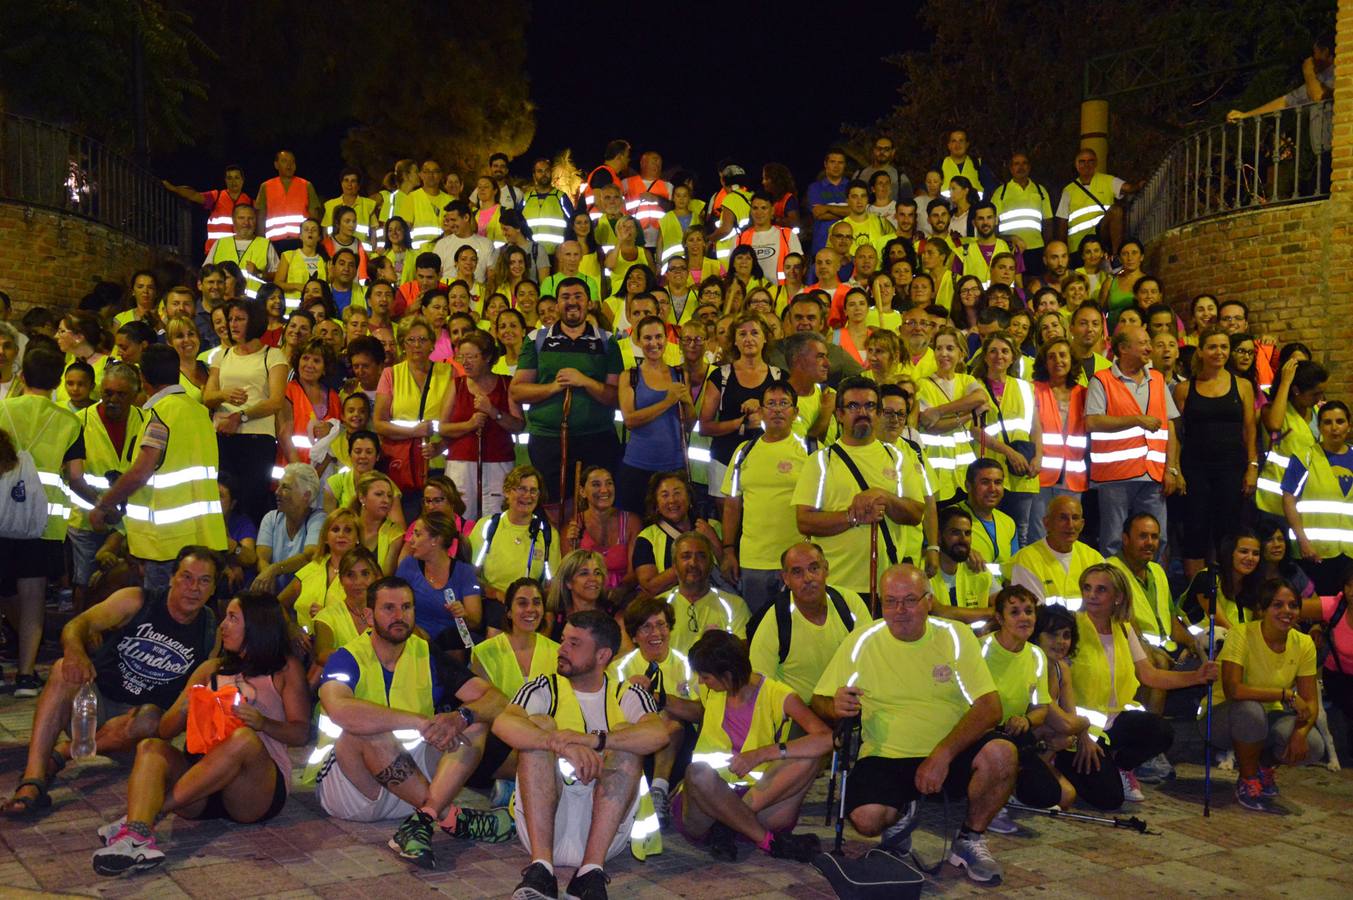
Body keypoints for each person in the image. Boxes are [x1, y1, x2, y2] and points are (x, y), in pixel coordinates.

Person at [812, 563, 1015, 884]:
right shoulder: (862, 640)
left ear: (929, 601)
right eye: (890, 601)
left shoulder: (955, 636)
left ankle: (971, 838)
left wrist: (942, 754)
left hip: (950, 752)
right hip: (887, 754)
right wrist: (834, 705)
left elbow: (991, 708)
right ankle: (902, 813)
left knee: (1002, 754)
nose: (899, 611)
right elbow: (819, 699)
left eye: (910, 600)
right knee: (866, 820)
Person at [91, 591, 310, 876]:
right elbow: (165, 730)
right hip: (199, 787)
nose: (223, 625)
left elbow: (301, 733)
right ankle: (136, 837)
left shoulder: (284, 670)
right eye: (225, 618)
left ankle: (141, 822)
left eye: (233, 618)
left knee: (244, 738)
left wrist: (263, 723)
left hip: (253, 789)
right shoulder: (210, 669)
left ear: (257, 625)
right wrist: (187, 706)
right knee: (150, 747)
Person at [312, 576, 515, 869]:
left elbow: (495, 699)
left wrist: (461, 717)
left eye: (406, 607)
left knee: (474, 721)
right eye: (389, 608)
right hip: (353, 790)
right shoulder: (345, 658)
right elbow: (340, 710)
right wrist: (419, 721)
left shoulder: (426, 653)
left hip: (410, 784)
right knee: (366, 731)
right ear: (368, 615)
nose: (399, 615)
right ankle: (451, 818)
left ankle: (425, 817)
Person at [1, 547, 220, 818]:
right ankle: (32, 780)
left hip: (138, 734)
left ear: (213, 588)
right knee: (61, 669)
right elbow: (78, 624)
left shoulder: (211, 631)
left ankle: (63, 754)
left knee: (150, 717)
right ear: (172, 578)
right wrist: (76, 651)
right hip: (91, 708)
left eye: (204, 581)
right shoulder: (138, 600)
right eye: (186, 577)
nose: (194, 588)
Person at [494, 610, 669, 899]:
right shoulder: (544, 686)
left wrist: (596, 741)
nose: (561, 649)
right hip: (544, 827)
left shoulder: (626, 693)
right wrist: (560, 744)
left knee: (627, 738)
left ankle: (589, 874)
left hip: (605, 835)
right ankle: (541, 871)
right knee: (539, 725)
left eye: (574, 644)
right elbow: (503, 723)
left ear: (602, 655)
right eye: (563, 640)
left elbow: (659, 734)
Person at [1063, 564, 1217, 807]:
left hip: (1113, 722)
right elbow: (1059, 686)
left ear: (1118, 597)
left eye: (1101, 589)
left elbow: (1150, 675)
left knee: (1161, 731)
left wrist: (1197, 677)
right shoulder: (1070, 627)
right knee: (1109, 799)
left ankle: (1121, 767)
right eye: (1087, 588)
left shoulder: (1124, 629)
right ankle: (1063, 767)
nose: (1091, 595)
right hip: (1077, 728)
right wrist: (1080, 732)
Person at [668, 629, 829, 862]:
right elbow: (695, 710)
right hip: (706, 802)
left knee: (811, 755)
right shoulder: (710, 690)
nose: (701, 682)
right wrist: (659, 698)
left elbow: (826, 738)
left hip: (756, 799)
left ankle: (728, 825)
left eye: (705, 677)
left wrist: (762, 754)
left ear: (728, 675)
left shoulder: (777, 694)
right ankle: (768, 842)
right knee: (697, 772)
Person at [794, 376, 925, 600]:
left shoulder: (898, 458)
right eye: (853, 406)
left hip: (886, 588)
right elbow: (804, 521)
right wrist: (853, 517)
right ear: (839, 414)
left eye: (870, 406)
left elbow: (915, 514)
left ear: (879, 413)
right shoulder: (820, 461)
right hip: (835, 584)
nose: (862, 412)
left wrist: (884, 497)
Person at [510, 278, 622, 522]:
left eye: (578, 296)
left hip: (597, 439)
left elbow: (616, 397)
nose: (572, 302)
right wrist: (554, 387)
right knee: (552, 507)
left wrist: (585, 381)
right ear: (556, 304)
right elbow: (517, 391)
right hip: (548, 440)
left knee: (595, 507)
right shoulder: (537, 340)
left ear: (589, 303)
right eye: (566, 297)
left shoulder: (606, 341)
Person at [1208, 578, 1323, 811]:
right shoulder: (1241, 634)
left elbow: (1311, 701)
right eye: (1277, 605)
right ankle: (1247, 779)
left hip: (1270, 717)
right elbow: (1234, 690)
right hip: (1225, 717)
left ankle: (1263, 767)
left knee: (1313, 744)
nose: (1286, 611)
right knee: (1250, 710)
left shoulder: (1304, 644)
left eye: (1293, 605)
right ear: (1261, 609)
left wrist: (1300, 733)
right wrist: (1285, 694)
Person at [980, 586, 1087, 829]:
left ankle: (1008, 788)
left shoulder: (1036, 655)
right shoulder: (981, 650)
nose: (1024, 617)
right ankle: (990, 803)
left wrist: (1026, 720)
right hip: (983, 732)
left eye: (1028, 611)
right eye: (1014, 612)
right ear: (1000, 619)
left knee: (1055, 794)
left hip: (1017, 733)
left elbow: (1040, 708)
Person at [721, 382, 818, 613]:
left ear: (795, 412)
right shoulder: (743, 452)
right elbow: (731, 506)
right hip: (754, 561)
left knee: (798, 625)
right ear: (762, 411)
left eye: (784, 403)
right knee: (757, 625)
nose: (777, 410)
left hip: (798, 561)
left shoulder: (812, 451)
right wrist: (728, 550)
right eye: (771, 404)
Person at [1085, 325, 1181, 558]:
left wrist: (1171, 468)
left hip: (1152, 474)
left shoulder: (1157, 379)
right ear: (1123, 348)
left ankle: (1150, 580)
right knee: (1114, 540)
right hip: (1114, 475)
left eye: (1149, 342)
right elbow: (1092, 422)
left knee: (1156, 539)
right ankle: (1114, 581)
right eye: (1143, 343)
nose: (1149, 347)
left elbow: (1169, 426)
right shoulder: (1102, 380)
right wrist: (1136, 420)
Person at [1174, 327, 1257, 578]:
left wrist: (1252, 467)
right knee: (1195, 531)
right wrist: (1175, 470)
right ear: (1200, 351)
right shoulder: (1184, 389)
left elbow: (1249, 428)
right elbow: (1176, 434)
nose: (1218, 352)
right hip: (1195, 469)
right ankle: (1196, 592)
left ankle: (1228, 590)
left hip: (1232, 468)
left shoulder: (1242, 386)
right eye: (1212, 347)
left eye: (1223, 347)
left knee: (1229, 531)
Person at [748, 542, 871, 702]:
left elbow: (870, 659)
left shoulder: (849, 602)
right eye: (797, 572)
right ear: (786, 578)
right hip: (798, 712)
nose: (808, 578)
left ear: (826, 569)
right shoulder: (776, 620)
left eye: (814, 568)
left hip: (848, 705)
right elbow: (759, 685)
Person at [203, 299, 289, 525]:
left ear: (254, 321)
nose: (233, 324)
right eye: (231, 319)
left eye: (239, 319)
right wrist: (224, 395)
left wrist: (240, 416)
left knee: (251, 502)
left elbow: (275, 401)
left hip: (257, 440)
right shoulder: (221, 356)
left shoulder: (273, 355)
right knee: (221, 502)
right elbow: (208, 397)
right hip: (223, 437)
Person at [374, 317, 455, 523]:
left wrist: (441, 446)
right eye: (411, 340)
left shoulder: (448, 372)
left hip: (439, 465)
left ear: (432, 344)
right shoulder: (391, 374)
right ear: (403, 344)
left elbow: (458, 420)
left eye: (422, 339)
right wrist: (413, 432)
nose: (416, 345)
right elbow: (379, 423)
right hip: (402, 467)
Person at [438, 330, 524, 520]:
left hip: (498, 462)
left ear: (487, 357)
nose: (465, 362)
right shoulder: (457, 385)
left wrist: (493, 411)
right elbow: (443, 428)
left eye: (472, 357)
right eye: (462, 356)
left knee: (496, 519)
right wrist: (469, 425)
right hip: (460, 464)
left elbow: (519, 425)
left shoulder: (506, 384)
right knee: (459, 519)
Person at [700, 312, 780, 513]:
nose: (749, 339)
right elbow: (705, 427)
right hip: (724, 460)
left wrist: (762, 409)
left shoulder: (779, 377)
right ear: (734, 341)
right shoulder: (720, 376)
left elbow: (788, 421)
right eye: (742, 334)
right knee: (727, 523)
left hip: (766, 462)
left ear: (765, 338)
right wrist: (741, 423)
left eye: (755, 333)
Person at [617, 316, 695, 514]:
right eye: (648, 338)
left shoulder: (680, 374)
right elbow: (630, 420)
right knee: (634, 524)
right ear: (638, 341)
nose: (654, 343)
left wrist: (688, 403)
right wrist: (667, 402)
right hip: (637, 465)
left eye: (658, 337)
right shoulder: (630, 376)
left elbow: (689, 425)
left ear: (666, 339)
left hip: (674, 466)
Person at [972, 332, 1041, 545]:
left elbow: (1035, 426)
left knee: (1020, 530)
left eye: (1004, 351)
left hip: (1022, 470)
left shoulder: (1025, 387)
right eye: (993, 351)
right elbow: (974, 430)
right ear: (985, 356)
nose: (999, 356)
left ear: (1012, 357)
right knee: (987, 527)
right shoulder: (974, 387)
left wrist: (1038, 457)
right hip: (989, 469)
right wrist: (1009, 452)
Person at [1282, 400, 1353, 594]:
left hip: (1350, 554)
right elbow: (1288, 499)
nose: (1334, 428)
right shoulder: (1304, 457)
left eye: (1340, 421)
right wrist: (1303, 541)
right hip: (1314, 554)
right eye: (1327, 422)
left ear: (1349, 425)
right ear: (1320, 427)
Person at [470, 465, 561, 603]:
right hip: (493, 603)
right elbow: (470, 576)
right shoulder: (487, 526)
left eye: (533, 491)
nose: (527, 496)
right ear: (507, 491)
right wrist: (496, 594)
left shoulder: (548, 534)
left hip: (530, 606)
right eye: (521, 489)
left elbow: (551, 585)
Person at [916, 325, 985, 502]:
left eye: (949, 348)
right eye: (938, 348)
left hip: (964, 472)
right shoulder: (923, 384)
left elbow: (980, 397)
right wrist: (969, 413)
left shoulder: (966, 380)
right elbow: (932, 426)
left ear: (961, 354)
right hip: (935, 471)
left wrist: (939, 411)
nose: (943, 353)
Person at [397, 511, 483, 652]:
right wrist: (417, 632)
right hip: (414, 638)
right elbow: (397, 608)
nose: (411, 540)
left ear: (435, 540)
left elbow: (475, 622)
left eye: (417, 534)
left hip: (450, 646)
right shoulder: (408, 565)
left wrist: (464, 614)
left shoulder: (464, 572)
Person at [1031, 338, 1088, 543]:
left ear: (1072, 359)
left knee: (1068, 534)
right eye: (1051, 357)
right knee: (1038, 534)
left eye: (1063, 355)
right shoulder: (1033, 390)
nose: (1058, 361)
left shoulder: (1084, 393)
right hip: (1040, 474)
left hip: (1073, 476)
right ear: (1044, 362)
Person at [472, 577, 560, 699]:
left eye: (536, 603)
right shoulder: (484, 652)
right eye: (522, 603)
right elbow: (481, 703)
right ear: (509, 612)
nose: (530, 609)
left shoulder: (558, 652)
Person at [1258, 359, 1326, 516]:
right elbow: (1274, 424)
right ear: (1296, 390)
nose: (1319, 398)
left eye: (1321, 393)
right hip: (1275, 501)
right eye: (1314, 394)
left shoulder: (1317, 411)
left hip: (1305, 498)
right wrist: (1285, 382)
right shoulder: (1275, 411)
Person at [1010, 496, 1104, 607]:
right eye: (1063, 518)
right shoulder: (1027, 559)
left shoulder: (1094, 558)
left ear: (1082, 524)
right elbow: (1031, 610)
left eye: (1075, 518)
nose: (1070, 525)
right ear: (1047, 523)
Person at [252, 463, 325, 594]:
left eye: (285, 487)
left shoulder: (318, 519)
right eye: (279, 486)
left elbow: (309, 556)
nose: (277, 492)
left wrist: (275, 569)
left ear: (306, 495)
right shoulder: (271, 518)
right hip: (273, 593)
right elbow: (262, 558)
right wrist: (267, 576)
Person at [567, 466, 640, 595]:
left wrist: (615, 594)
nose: (604, 490)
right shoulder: (573, 525)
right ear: (582, 492)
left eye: (609, 483)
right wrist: (573, 546)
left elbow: (634, 573)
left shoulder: (631, 522)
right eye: (596, 484)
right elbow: (569, 574)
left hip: (623, 596)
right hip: (585, 595)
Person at [1055, 146, 1137, 260]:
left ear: (1096, 163)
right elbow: (1062, 223)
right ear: (1076, 165)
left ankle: (1116, 257)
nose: (1086, 165)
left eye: (1090, 161)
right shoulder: (1068, 190)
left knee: (1116, 210)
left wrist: (1141, 184)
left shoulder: (1107, 180)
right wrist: (1063, 252)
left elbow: (1129, 188)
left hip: (1101, 236)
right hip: (1078, 246)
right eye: (1082, 161)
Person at [310, 546, 380, 673]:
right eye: (350, 575)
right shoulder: (327, 617)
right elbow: (322, 655)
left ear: (376, 577)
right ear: (341, 580)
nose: (358, 582)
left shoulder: (388, 612)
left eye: (365, 574)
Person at [929, 506, 998, 626]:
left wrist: (990, 626)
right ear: (939, 536)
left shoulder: (977, 567)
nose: (963, 539)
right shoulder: (924, 569)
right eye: (955, 533)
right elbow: (938, 612)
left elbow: (1005, 604)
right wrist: (991, 612)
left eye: (967, 533)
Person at [163, 164, 251, 252]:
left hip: (241, 251)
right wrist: (174, 189)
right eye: (229, 178)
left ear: (242, 180)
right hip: (216, 251)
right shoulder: (216, 196)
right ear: (225, 180)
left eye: (236, 178)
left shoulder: (249, 202)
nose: (233, 181)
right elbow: (194, 195)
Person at [960, 459, 1018, 581]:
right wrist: (957, 552)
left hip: (1000, 591)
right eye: (985, 482)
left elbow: (1012, 571)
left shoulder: (1008, 523)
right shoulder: (951, 518)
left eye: (998, 482)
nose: (992, 489)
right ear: (968, 486)